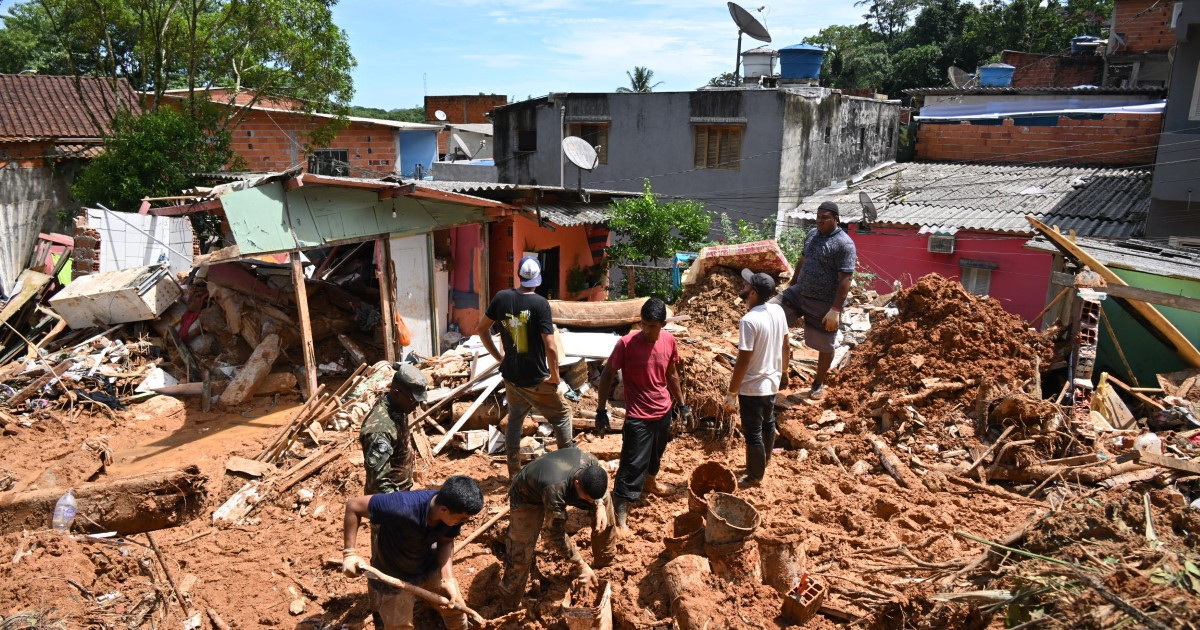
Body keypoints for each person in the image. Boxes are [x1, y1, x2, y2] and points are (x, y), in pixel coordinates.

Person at [341, 475, 484, 630]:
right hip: (393, 576)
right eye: (462, 519)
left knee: (456, 610)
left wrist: (448, 579)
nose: (465, 522)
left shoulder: (452, 513)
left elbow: (446, 541)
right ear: (443, 510)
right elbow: (353, 505)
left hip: (427, 565)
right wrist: (349, 553)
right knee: (399, 626)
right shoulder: (400, 506)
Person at [595, 297, 688, 531]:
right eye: (643, 324)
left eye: (652, 325)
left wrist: (682, 404)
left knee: (656, 454)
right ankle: (621, 510)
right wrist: (601, 409)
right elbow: (607, 374)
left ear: (662, 324)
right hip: (638, 416)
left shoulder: (669, 341)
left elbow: (672, 374)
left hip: (663, 410)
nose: (646, 329)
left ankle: (650, 482)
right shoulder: (626, 344)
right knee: (632, 463)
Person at [477, 256, 574, 477]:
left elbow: (481, 329)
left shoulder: (501, 298)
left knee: (515, 417)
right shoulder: (540, 304)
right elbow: (550, 347)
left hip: (511, 376)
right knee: (562, 415)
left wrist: (499, 358)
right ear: (538, 280)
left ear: (518, 276)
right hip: (536, 378)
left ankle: (513, 469)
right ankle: (568, 469)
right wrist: (555, 376)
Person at [498, 447, 617, 606]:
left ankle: (604, 560)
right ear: (577, 483)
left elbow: (598, 490)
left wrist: (599, 504)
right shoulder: (555, 492)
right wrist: (581, 565)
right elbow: (555, 535)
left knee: (606, 499)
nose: (590, 502)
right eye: (588, 498)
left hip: (555, 480)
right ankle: (509, 602)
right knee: (520, 551)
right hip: (526, 495)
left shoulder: (591, 462)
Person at [771, 201, 856, 400]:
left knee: (826, 345)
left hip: (823, 302)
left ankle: (819, 382)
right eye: (817, 217)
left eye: (824, 217)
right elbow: (803, 260)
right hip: (798, 293)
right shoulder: (812, 235)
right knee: (771, 315)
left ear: (836, 219)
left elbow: (846, 278)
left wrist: (835, 309)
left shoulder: (844, 244)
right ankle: (780, 371)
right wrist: (792, 284)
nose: (819, 221)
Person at [725, 269, 789, 487]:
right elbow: (786, 345)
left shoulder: (749, 320)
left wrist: (731, 394)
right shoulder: (778, 312)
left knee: (752, 433)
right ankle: (765, 460)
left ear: (753, 293)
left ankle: (755, 476)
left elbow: (743, 361)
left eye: (747, 286)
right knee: (768, 422)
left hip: (752, 387)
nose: (743, 287)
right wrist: (785, 372)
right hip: (772, 382)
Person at [360, 364, 428, 494]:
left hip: (400, 493)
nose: (417, 406)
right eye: (413, 400)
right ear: (396, 393)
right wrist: (398, 505)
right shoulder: (380, 429)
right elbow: (378, 484)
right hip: (388, 502)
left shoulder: (398, 407)